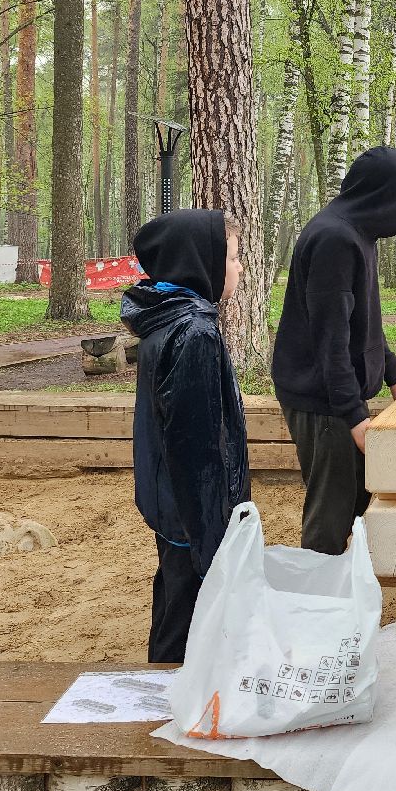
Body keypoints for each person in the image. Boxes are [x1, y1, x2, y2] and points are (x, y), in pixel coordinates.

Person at [272, 146, 396, 555]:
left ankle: (344, 581)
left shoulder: (358, 233)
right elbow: (331, 339)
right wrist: (353, 416)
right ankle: (316, 587)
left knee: (359, 500)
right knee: (331, 514)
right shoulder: (334, 239)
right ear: (382, 197)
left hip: (336, 396)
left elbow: (362, 322)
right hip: (322, 401)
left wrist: (391, 371)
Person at [122, 209, 249, 664]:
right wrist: (212, 542)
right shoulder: (194, 332)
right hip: (194, 519)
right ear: (204, 262)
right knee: (188, 624)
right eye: (232, 258)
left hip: (170, 507)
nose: (239, 269)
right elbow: (197, 450)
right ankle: (163, 696)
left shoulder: (165, 317)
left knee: (174, 603)